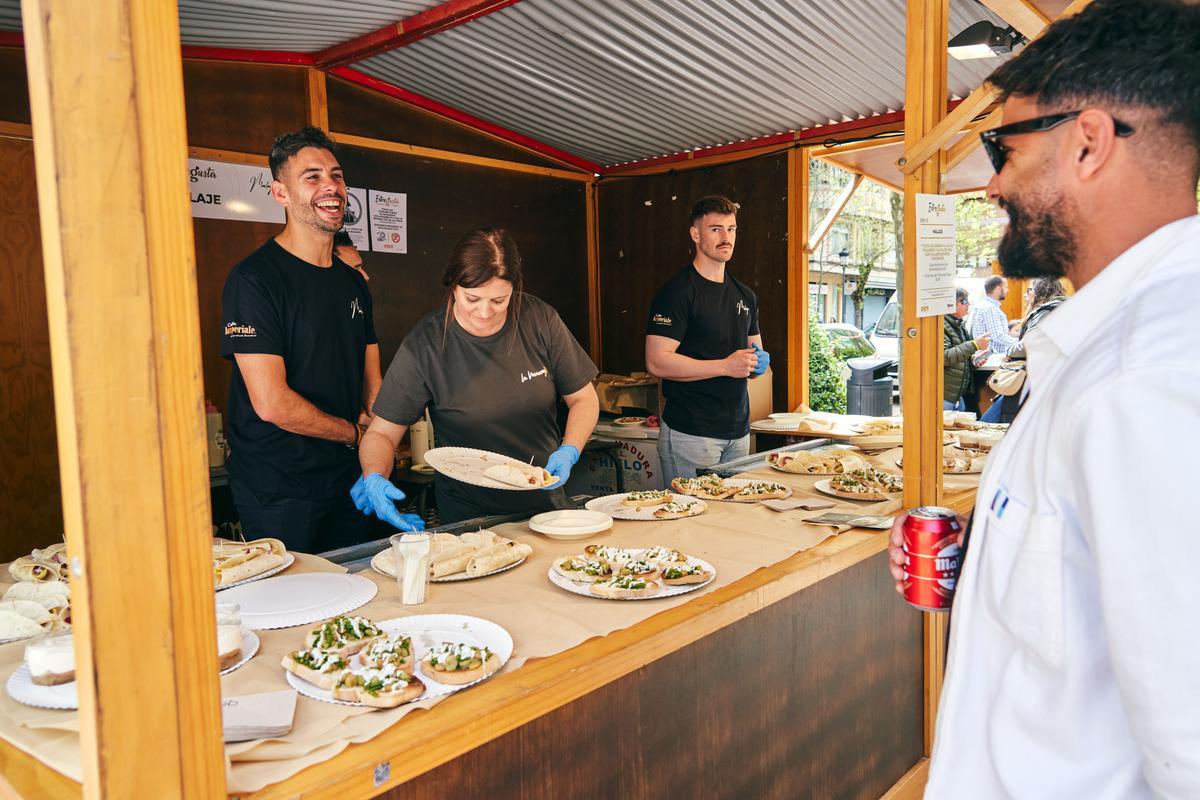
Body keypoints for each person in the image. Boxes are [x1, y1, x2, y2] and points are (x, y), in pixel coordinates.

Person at [890, 1, 1200, 796]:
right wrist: (997, 553)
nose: (992, 182)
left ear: (1089, 142)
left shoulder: (1150, 379)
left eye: (1006, 146)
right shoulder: (1116, 344)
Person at [220, 126, 417, 552]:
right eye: (312, 177)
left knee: (364, 595)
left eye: (336, 175)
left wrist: (381, 447)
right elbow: (272, 403)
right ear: (280, 193)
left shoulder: (353, 283)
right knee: (294, 609)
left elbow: (374, 386)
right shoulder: (254, 280)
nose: (330, 186)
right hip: (280, 488)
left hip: (349, 480)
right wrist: (354, 435)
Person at [356, 228, 600, 526]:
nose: (485, 312)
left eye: (499, 300)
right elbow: (382, 432)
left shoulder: (539, 319)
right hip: (469, 517)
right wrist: (374, 476)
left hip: (544, 503)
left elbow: (584, 398)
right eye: (472, 299)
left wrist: (570, 449)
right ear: (453, 287)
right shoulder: (426, 344)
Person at [644, 195, 769, 481]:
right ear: (695, 234)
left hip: (738, 433)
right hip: (691, 433)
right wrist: (725, 366)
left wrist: (758, 363)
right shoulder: (677, 293)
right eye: (716, 229)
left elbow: (754, 353)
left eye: (732, 228)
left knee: (730, 520)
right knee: (689, 523)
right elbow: (656, 362)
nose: (726, 238)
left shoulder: (745, 295)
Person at [996, 276, 1068, 422]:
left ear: (1040, 291)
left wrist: (1010, 351)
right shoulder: (1065, 308)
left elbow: (1030, 344)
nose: (1025, 295)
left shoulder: (1046, 311)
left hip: (1033, 380)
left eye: (1029, 290)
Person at [943, 287, 990, 410]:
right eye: (963, 301)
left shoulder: (958, 324)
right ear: (950, 304)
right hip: (946, 396)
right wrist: (974, 345)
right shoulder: (941, 325)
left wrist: (973, 361)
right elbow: (944, 357)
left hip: (956, 395)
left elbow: (958, 356)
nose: (968, 304)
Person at [970, 275, 1018, 355]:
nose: (1008, 290)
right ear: (998, 289)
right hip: (990, 358)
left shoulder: (985, 305)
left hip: (988, 357)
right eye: (1006, 287)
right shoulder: (990, 308)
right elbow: (998, 336)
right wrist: (1021, 343)